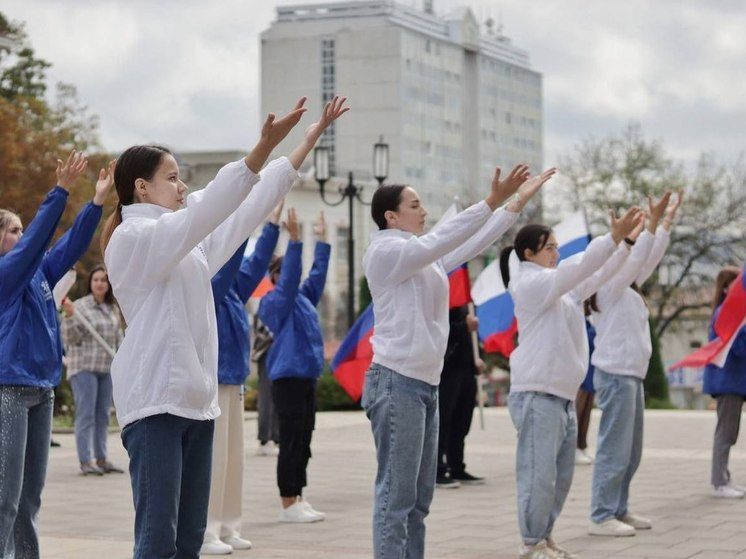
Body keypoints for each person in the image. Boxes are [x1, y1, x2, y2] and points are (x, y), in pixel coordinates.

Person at [103, 96, 348, 559]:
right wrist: (259, 150)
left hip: (196, 404)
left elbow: (243, 209)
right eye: (172, 178)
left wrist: (302, 145)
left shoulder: (186, 241)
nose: (181, 187)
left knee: (189, 539)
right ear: (140, 187)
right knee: (157, 541)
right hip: (155, 402)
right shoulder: (132, 239)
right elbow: (207, 208)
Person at [362, 163, 556, 559]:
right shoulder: (386, 251)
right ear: (391, 216)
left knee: (418, 501)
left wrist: (516, 203)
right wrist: (491, 199)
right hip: (396, 382)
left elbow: (471, 240)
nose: (425, 211)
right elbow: (443, 239)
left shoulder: (421, 256)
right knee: (396, 498)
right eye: (415, 205)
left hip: (423, 384)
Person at [499, 206, 642, 559]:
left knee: (560, 478)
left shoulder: (560, 291)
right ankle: (531, 542)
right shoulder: (531, 283)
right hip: (537, 395)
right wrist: (610, 239)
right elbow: (576, 268)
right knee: (538, 476)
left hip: (560, 396)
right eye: (549, 246)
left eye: (556, 246)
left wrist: (624, 245)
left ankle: (544, 537)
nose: (556, 252)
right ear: (529, 254)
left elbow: (594, 275)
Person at [0, 151, 113, 558]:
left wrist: (96, 204)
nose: (21, 233)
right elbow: (36, 242)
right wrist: (60, 190)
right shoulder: (5, 275)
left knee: (30, 500)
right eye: (12, 229)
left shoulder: (40, 273)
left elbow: (69, 246)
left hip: (42, 390)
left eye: (19, 229)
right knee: (5, 499)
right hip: (9, 390)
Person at [588, 192, 678, 537]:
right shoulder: (607, 288)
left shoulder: (627, 289)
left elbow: (647, 258)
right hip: (615, 375)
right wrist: (649, 225)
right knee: (615, 448)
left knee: (631, 451)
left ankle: (619, 508)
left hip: (632, 377)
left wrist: (663, 224)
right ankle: (601, 514)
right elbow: (638, 255)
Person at [201, 200, 284, 555]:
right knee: (215, 460)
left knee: (233, 460)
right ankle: (206, 530)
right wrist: (243, 223)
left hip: (233, 377)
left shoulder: (232, 289)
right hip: (214, 377)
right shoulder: (209, 281)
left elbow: (254, 264)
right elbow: (237, 258)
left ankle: (229, 524)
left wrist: (272, 228)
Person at [258, 209, 331, 523]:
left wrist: (322, 240)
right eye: (283, 271)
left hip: (307, 377)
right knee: (289, 440)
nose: (289, 275)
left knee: (303, 440)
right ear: (275, 276)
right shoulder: (274, 301)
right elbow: (289, 283)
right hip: (287, 379)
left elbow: (317, 274)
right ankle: (288, 502)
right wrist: (295, 241)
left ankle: (299, 496)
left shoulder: (302, 297)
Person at [61, 264, 125, 476]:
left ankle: (102, 457)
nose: (100, 284)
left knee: (103, 415)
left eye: (103, 280)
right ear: (90, 283)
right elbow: (70, 338)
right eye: (96, 280)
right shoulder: (79, 307)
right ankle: (86, 460)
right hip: (84, 368)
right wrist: (70, 316)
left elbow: (118, 340)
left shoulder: (113, 309)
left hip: (106, 368)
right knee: (86, 414)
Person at [703, 266, 746, 498]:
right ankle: (719, 482)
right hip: (728, 381)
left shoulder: (729, 312)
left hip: (733, 381)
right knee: (725, 432)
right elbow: (738, 347)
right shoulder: (726, 313)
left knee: (729, 431)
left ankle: (724, 478)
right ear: (728, 286)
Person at [436, 305, 485, 488]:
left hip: (466, 370)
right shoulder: (446, 302)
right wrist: (464, 327)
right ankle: (438, 469)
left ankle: (456, 466)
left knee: (461, 422)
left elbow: (472, 339)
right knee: (444, 421)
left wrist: (479, 359)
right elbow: (440, 330)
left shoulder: (468, 305)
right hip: (448, 369)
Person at [253, 314, 280, 455]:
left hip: (280, 354)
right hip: (267, 353)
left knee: (279, 396)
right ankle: (265, 438)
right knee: (267, 397)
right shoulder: (266, 307)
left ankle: (276, 436)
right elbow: (263, 333)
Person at [574, 317, 596, 466]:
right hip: (580, 369)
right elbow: (584, 340)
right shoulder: (579, 317)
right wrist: (596, 328)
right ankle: (573, 447)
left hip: (591, 368)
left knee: (587, 411)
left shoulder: (589, 319)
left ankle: (582, 445)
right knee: (578, 410)